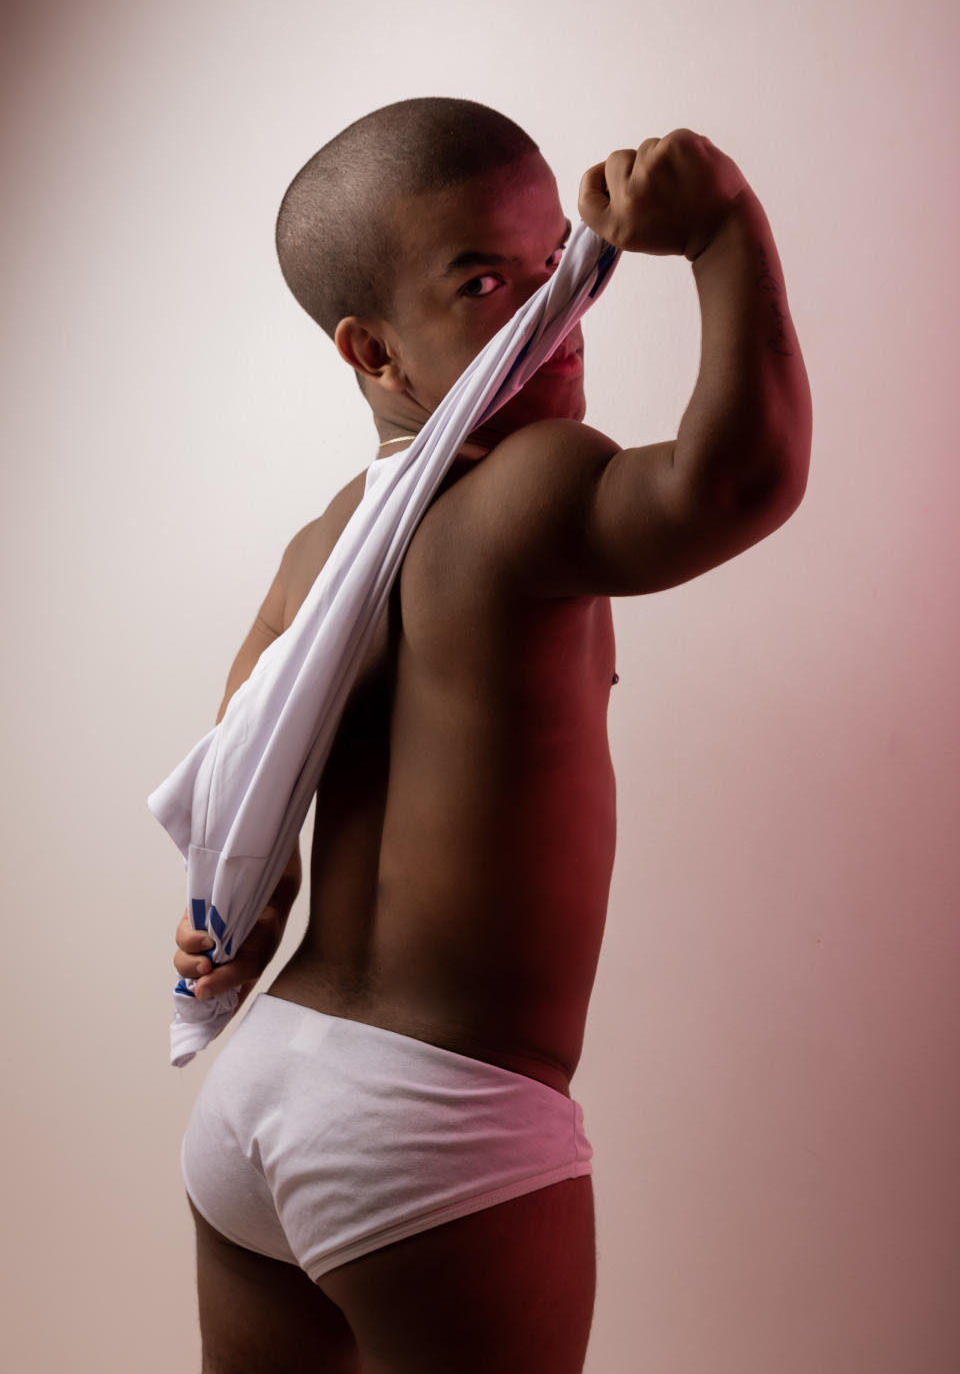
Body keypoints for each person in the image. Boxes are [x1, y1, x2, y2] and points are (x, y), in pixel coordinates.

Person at [171, 97, 811, 1374]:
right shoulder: (532, 483)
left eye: (555, 261)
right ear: (373, 350)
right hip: (431, 1122)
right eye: (483, 284)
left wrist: (232, 926)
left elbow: (241, 785)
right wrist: (726, 228)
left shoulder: (315, 555)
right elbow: (740, 481)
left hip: (258, 1098)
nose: (554, 310)